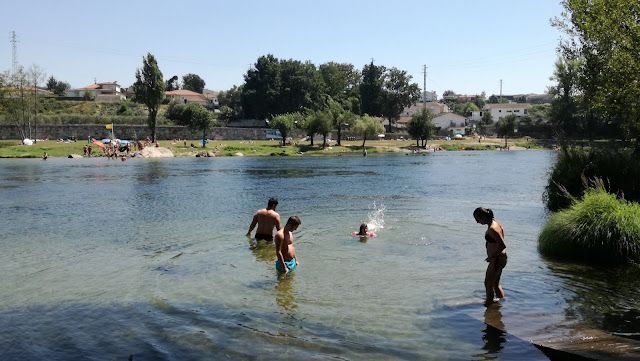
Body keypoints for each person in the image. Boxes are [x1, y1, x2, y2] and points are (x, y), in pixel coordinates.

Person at [473, 207, 507, 306]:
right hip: (500, 258)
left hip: (497, 259)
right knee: (495, 284)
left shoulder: (493, 228)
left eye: (477, 219)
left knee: (488, 284)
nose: (477, 222)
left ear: (483, 217)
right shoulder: (495, 223)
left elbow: (502, 245)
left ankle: (489, 305)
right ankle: (501, 303)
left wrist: (492, 256)